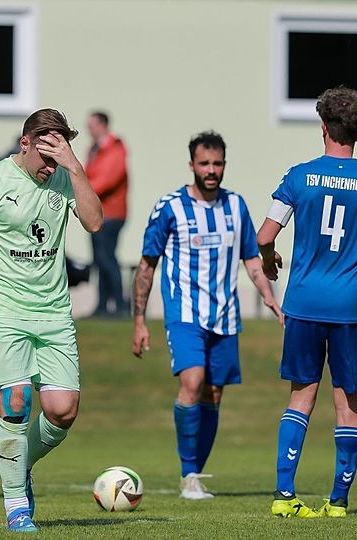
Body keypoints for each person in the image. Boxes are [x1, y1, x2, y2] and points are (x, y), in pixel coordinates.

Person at [258, 87, 357, 518]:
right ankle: (338, 503)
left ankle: (284, 498)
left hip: (304, 303)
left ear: (323, 127)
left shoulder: (299, 176)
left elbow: (265, 235)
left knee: (300, 397)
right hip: (352, 309)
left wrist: (269, 261)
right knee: (349, 402)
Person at [0, 108, 103, 532]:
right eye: (46, 157)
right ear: (25, 143)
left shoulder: (65, 176)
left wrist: (75, 168)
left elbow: (94, 222)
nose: (50, 167)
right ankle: (16, 503)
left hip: (54, 312)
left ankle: (19, 464)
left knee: (63, 410)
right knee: (15, 403)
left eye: (59, 156)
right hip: (4, 310)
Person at [130, 130, 283, 500]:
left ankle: (194, 475)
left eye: (217, 163)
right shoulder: (170, 207)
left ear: (224, 165)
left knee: (214, 393)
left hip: (225, 315)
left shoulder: (236, 206)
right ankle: (187, 474)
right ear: (191, 166)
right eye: (204, 163)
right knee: (193, 382)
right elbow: (147, 265)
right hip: (184, 312)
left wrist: (269, 297)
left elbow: (251, 258)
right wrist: (138, 321)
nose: (211, 170)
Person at [85, 111, 130, 317]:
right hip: (96, 212)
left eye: (92, 124)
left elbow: (108, 179)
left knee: (107, 259)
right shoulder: (95, 149)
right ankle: (102, 306)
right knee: (100, 260)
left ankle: (119, 306)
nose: (89, 128)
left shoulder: (115, 149)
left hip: (112, 214)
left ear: (103, 125)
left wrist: (83, 191)